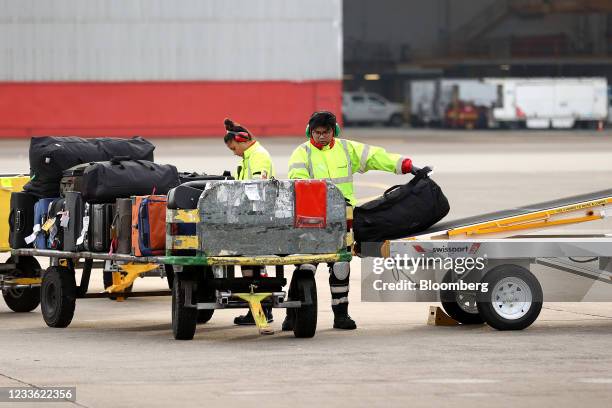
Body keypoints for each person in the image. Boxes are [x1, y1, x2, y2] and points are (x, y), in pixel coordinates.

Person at [284, 111, 425, 330]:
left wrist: (406, 165)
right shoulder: (301, 153)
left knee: (341, 266)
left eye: (326, 132)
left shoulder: (347, 149)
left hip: (343, 216)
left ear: (335, 131)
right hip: (313, 219)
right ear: (310, 132)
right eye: (317, 132)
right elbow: (298, 184)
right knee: (305, 266)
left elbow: (376, 156)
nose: (321, 136)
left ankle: (341, 315)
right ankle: (293, 315)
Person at [223, 118, 275, 325]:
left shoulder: (258, 157)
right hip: (249, 220)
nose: (234, 152)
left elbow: (256, 191)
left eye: (234, 147)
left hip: (255, 220)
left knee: (255, 266)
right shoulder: (248, 157)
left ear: (243, 140)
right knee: (249, 266)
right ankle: (257, 310)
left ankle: (263, 310)